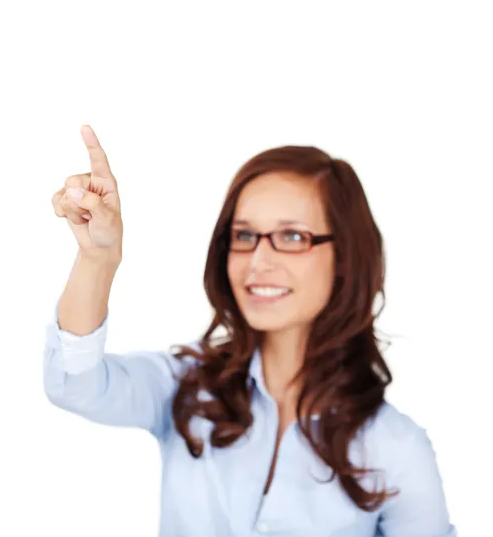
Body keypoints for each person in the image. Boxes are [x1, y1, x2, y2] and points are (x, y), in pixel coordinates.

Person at [44, 125, 457, 537]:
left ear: (346, 257)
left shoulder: (397, 450)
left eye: (292, 236)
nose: (258, 261)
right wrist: (98, 258)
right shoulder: (185, 386)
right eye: (244, 235)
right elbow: (75, 382)